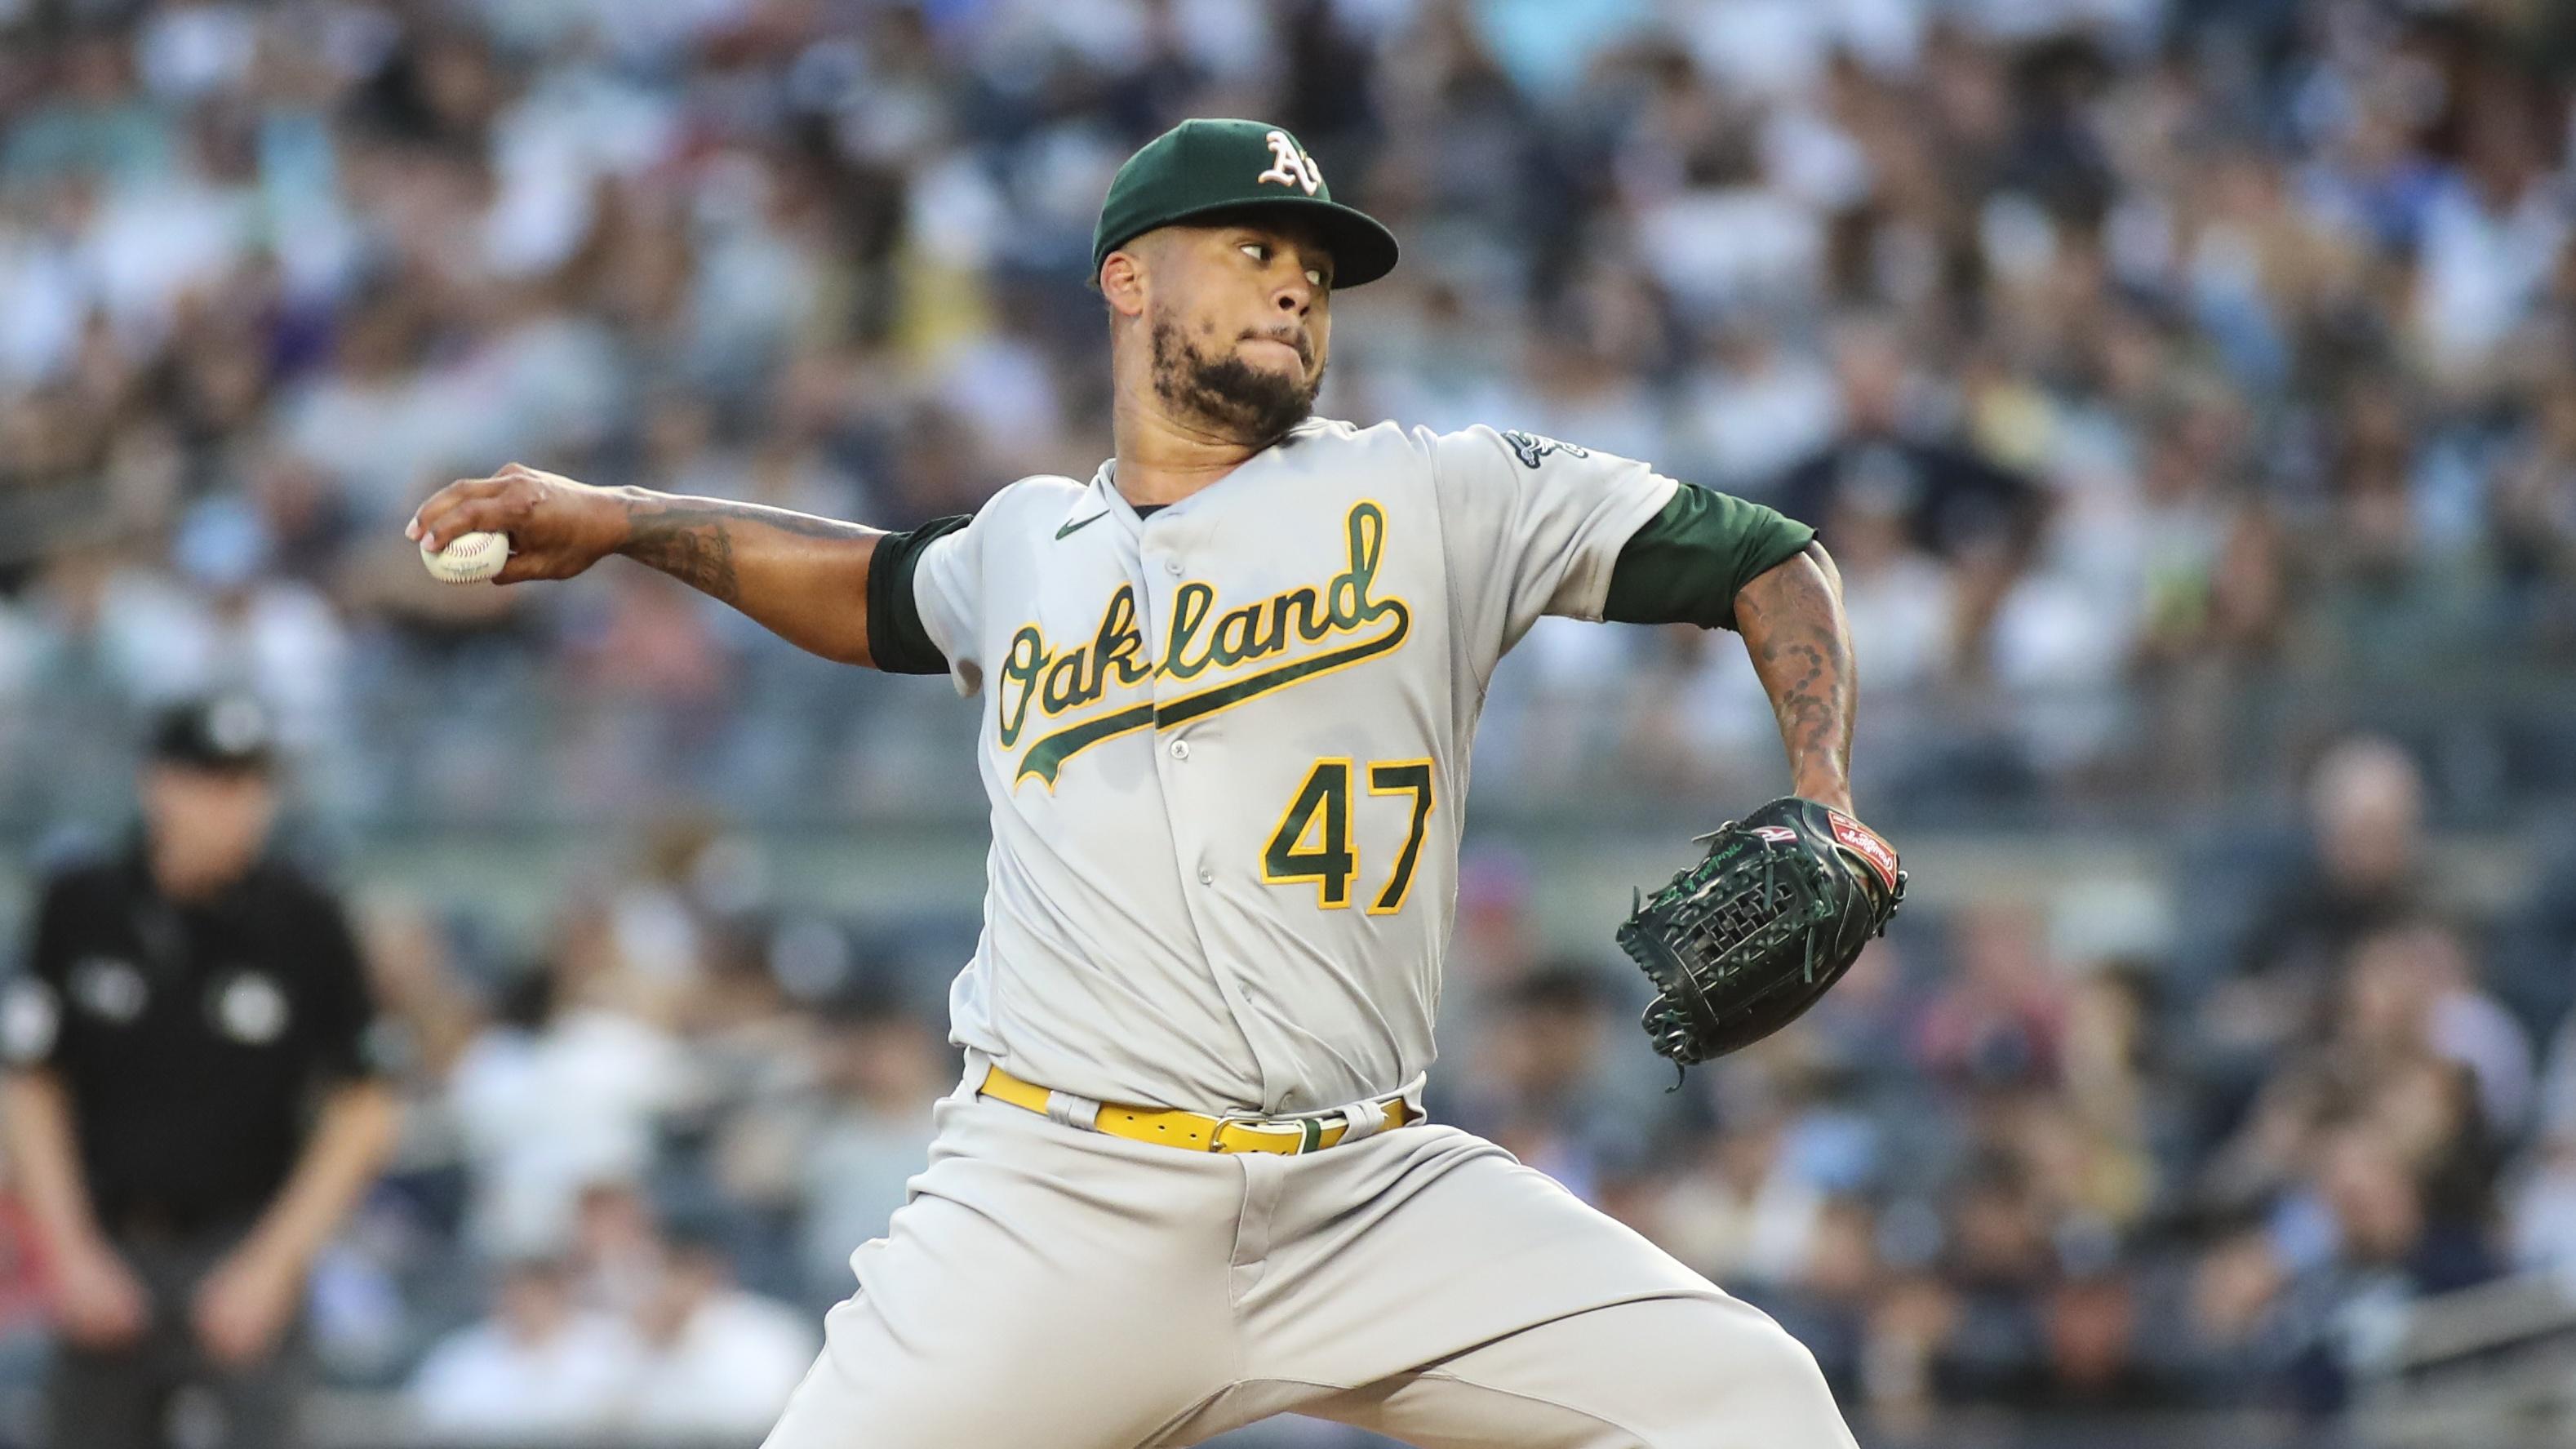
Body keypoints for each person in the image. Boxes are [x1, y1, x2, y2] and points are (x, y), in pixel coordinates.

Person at [410, 118, 1885, 1447]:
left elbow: (1767, 556)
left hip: (1366, 1190)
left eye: (1314, 264)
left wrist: (1823, 788)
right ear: (1129, 279)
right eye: (1253, 248)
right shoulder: (1020, 545)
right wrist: (621, 518)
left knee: (1754, 1407)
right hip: (1056, 1199)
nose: (1296, 285)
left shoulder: (1442, 491)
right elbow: (864, 584)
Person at [0, 695, 399, 1449]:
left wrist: (274, 1264)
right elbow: (29, 1082)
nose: (238, 808)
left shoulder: (303, 917)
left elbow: (365, 1103)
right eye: (214, 783)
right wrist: (70, 1251)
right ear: (160, 784)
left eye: (252, 785)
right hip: (109, 1241)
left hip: (243, 1241)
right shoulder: (80, 903)